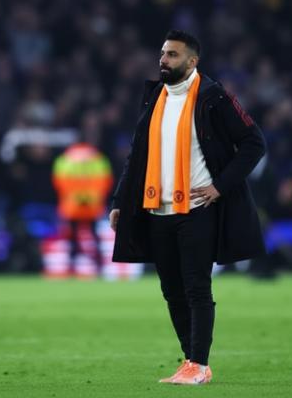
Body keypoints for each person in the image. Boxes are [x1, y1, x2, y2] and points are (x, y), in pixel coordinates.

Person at [109, 30, 266, 384]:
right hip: (157, 208)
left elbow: (254, 143)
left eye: (172, 55)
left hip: (197, 209)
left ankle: (198, 363)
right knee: (172, 291)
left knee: (196, 288)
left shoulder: (214, 97)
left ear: (192, 61)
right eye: (163, 54)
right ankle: (192, 361)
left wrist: (219, 186)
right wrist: (120, 200)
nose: (163, 60)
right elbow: (137, 155)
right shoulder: (155, 97)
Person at [52, 142, 113, 276]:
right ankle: (100, 265)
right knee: (94, 236)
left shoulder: (65, 159)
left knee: (72, 237)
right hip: (92, 205)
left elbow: (58, 182)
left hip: (72, 205)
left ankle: (71, 265)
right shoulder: (98, 158)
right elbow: (106, 182)